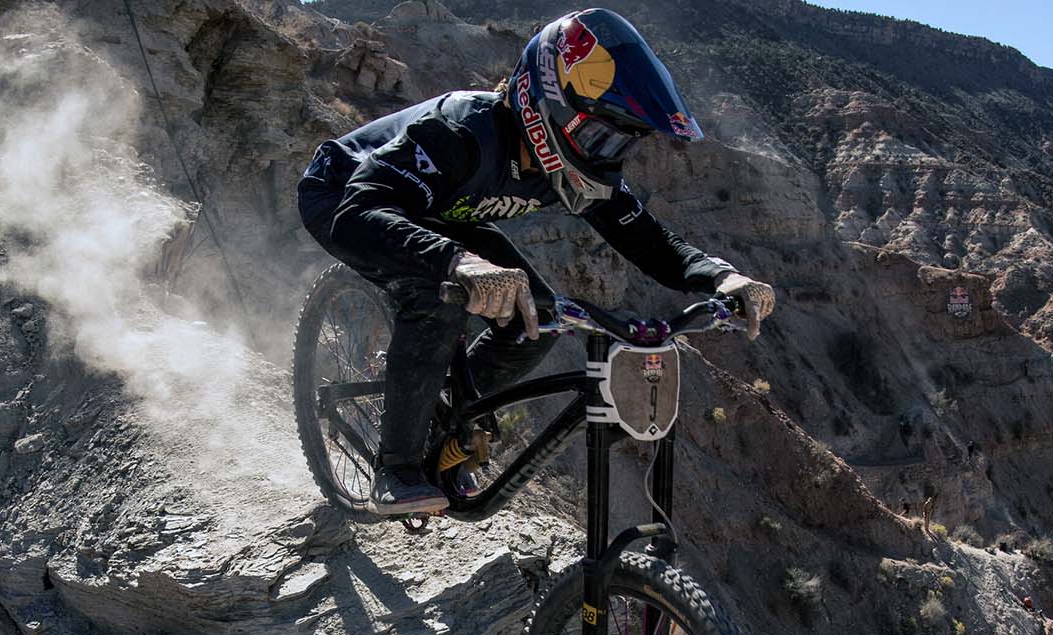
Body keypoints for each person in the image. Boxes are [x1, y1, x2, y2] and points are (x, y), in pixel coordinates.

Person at [297, 8, 777, 515]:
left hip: (437, 212)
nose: (605, 158)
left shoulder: (567, 165)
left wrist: (722, 276)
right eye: (598, 138)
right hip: (346, 195)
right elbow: (361, 210)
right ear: (545, 104)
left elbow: (647, 241)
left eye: (618, 145)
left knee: (538, 318)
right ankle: (396, 467)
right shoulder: (460, 133)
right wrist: (457, 263)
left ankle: (446, 419)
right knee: (438, 297)